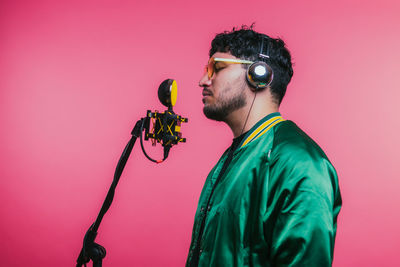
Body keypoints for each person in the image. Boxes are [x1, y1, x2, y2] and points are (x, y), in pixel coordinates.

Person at [186, 25, 342, 267]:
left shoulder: (298, 162)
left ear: (258, 74)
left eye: (216, 67)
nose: (203, 80)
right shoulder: (235, 156)